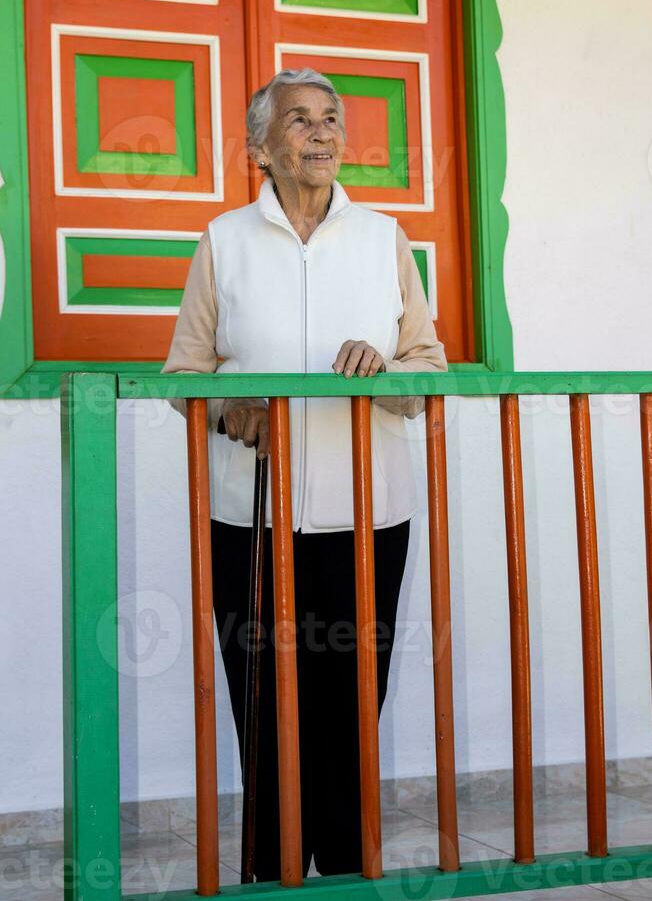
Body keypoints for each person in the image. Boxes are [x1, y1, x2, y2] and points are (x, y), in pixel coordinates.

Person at [162, 67, 447, 881]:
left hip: (368, 515)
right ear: (261, 147)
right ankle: (271, 872)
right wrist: (227, 404)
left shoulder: (384, 236)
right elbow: (184, 373)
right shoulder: (223, 240)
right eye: (299, 120)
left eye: (330, 119)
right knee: (263, 703)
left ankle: (352, 872)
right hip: (249, 516)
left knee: (355, 702)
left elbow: (428, 373)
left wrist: (385, 366)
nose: (322, 133)